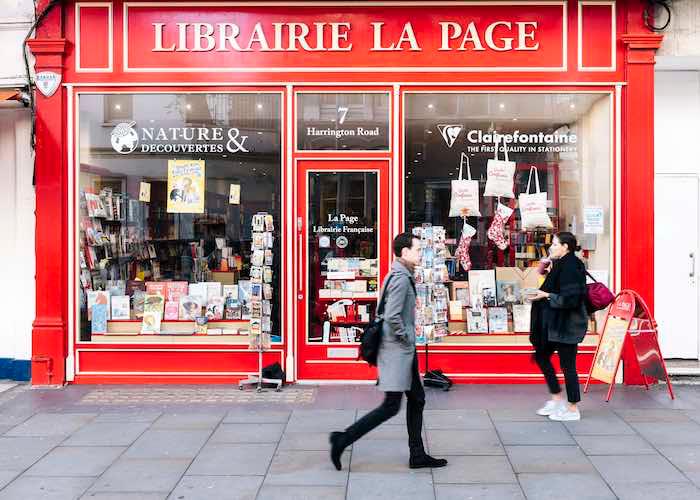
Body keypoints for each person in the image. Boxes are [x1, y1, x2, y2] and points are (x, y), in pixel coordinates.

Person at [329, 232, 448, 470]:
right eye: (416, 249)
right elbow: (392, 316)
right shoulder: (401, 278)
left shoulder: (397, 273)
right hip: (398, 350)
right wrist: (405, 339)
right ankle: (342, 439)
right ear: (404, 252)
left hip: (403, 351)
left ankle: (417, 454)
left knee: (417, 398)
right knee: (391, 406)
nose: (420, 253)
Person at [529, 232, 588, 422]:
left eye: (555, 244)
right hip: (553, 324)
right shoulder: (560, 264)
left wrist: (545, 296)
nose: (551, 247)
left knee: (568, 366)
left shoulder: (571, 266)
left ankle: (572, 408)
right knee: (541, 355)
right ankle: (556, 398)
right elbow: (550, 286)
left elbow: (570, 299)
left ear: (566, 247)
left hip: (567, 324)